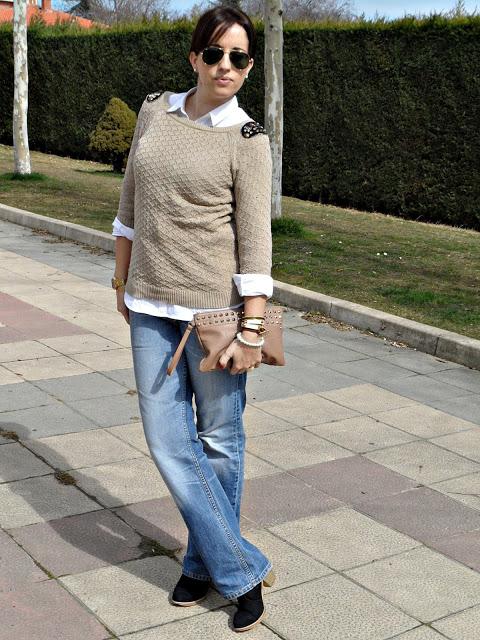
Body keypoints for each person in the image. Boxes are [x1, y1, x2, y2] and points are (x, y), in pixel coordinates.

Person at [111, 5, 276, 633]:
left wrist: (252, 329)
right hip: (150, 306)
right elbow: (129, 201)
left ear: (249, 66)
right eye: (214, 54)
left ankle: (205, 563)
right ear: (194, 58)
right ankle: (241, 566)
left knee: (220, 441)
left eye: (239, 57)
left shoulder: (248, 141)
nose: (225, 66)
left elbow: (255, 243)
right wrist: (122, 279)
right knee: (167, 441)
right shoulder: (155, 110)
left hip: (218, 314)